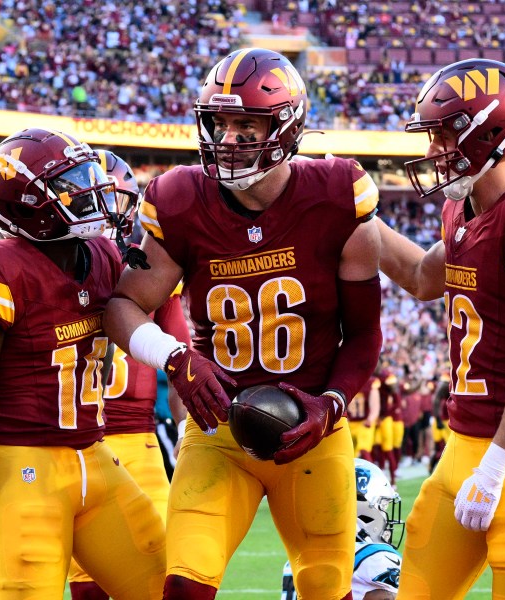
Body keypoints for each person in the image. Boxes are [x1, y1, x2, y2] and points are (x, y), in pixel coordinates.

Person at [103, 47, 383, 600]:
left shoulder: (336, 195)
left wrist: (331, 403)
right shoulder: (180, 198)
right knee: (184, 585)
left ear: (286, 126)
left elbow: (366, 334)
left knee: (327, 588)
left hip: (313, 432)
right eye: (220, 123)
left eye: (247, 124)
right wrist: (175, 358)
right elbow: (120, 305)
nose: (229, 138)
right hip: (218, 429)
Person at [376, 58, 505, 599]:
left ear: (488, 134)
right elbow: (418, 276)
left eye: (443, 136)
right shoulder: (463, 214)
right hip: (461, 444)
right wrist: (359, 212)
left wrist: (494, 469)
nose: (433, 151)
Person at [0, 128, 166, 599]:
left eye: (83, 174)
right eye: (67, 183)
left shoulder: (100, 252)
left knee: (168, 589)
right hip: (23, 467)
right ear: (24, 206)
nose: (88, 189)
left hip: (97, 456)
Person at [67, 150, 190, 600]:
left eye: (108, 202)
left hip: (136, 437)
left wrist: (185, 432)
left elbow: (182, 359)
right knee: (88, 584)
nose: (99, 216)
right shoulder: (48, 270)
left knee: (160, 575)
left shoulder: (149, 274)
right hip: (74, 439)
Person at [282, 458, 404, 600]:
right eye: (383, 506)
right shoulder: (377, 558)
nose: (385, 516)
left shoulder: (296, 560)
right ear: (363, 509)